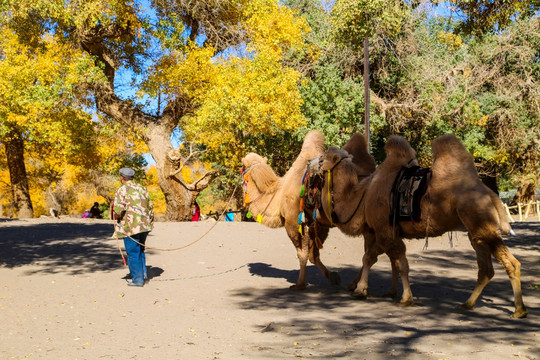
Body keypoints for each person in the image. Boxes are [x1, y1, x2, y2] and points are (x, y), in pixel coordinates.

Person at [113, 167, 154, 287]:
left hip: (131, 226)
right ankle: (143, 274)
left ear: (122, 178)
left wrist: (116, 215)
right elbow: (150, 207)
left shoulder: (122, 190)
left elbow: (119, 210)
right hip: (145, 225)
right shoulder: (142, 188)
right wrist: (150, 223)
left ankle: (137, 279)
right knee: (140, 250)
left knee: (132, 252)